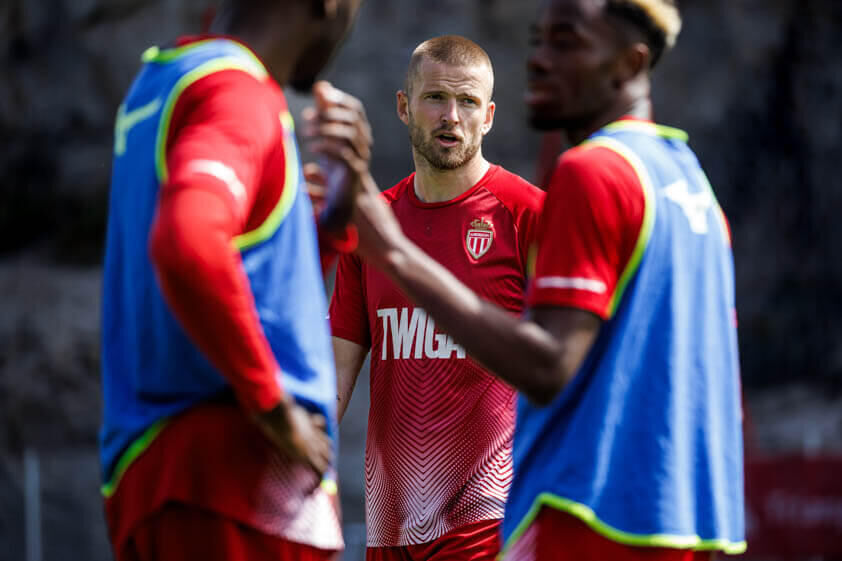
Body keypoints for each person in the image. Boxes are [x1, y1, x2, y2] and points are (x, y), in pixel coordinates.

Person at [341, 1, 746, 560]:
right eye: (540, 40)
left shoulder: (592, 173)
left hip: (592, 520)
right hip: (687, 525)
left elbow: (549, 365)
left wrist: (396, 256)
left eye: (566, 42)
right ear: (405, 106)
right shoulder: (690, 182)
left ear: (628, 64)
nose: (539, 60)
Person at [98, 0, 370, 559]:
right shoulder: (238, 92)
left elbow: (237, 283)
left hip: (162, 479)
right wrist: (275, 407)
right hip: (232, 486)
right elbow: (189, 246)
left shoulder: (162, 82)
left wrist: (328, 224)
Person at [329, 35, 545, 560]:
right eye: (435, 98)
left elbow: (568, 365)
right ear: (404, 107)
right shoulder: (373, 226)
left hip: (491, 521)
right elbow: (334, 378)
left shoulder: (529, 215)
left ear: (488, 117)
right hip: (390, 527)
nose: (452, 116)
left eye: (468, 101)